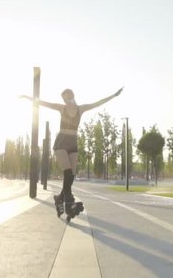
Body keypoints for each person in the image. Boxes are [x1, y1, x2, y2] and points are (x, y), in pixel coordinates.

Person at [21, 87, 123, 215]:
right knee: (68, 173)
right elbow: (44, 103)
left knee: (72, 175)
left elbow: (97, 103)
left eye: (66, 97)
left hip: (73, 142)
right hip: (61, 142)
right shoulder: (61, 108)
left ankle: (60, 199)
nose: (65, 100)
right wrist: (28, 98)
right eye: (64, 99)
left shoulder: (81, 109)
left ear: (72, 95)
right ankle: (69, 201)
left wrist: (113, 95)